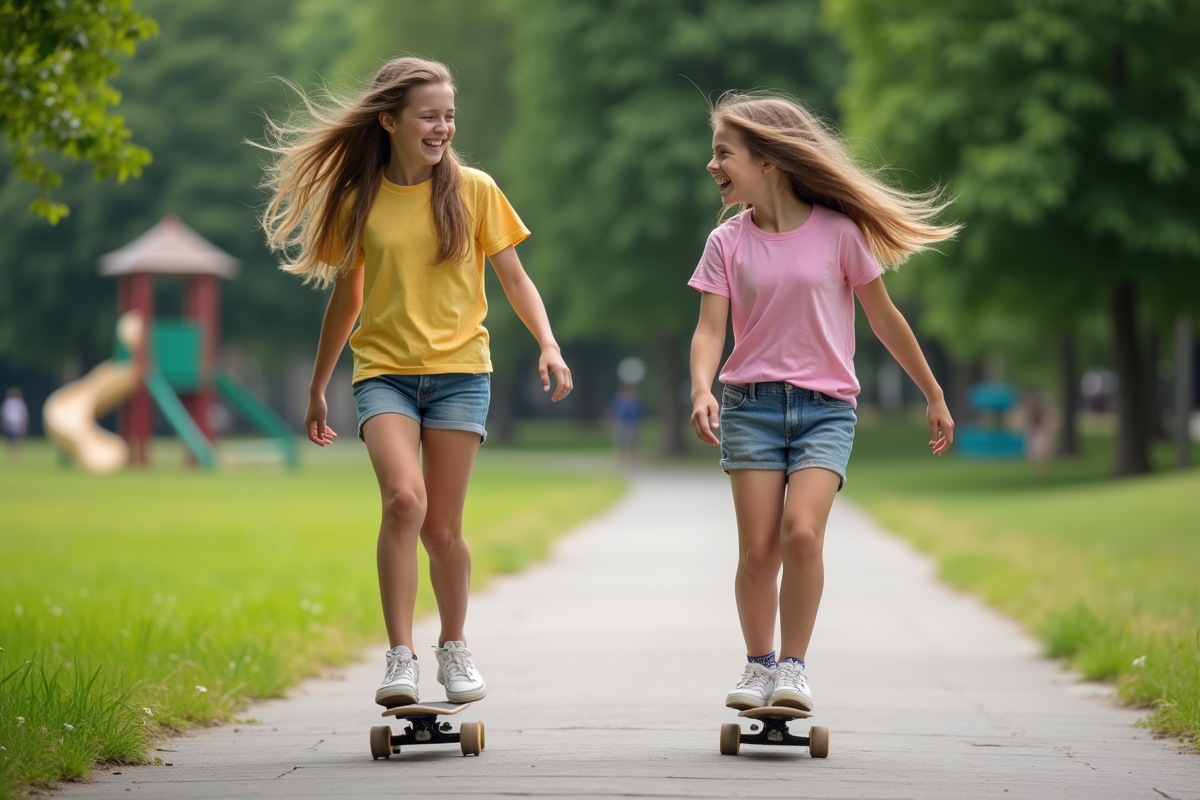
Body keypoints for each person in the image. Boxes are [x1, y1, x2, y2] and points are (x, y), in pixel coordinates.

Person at [259, 57, 572, 708]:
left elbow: (514, 277)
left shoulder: (475, 190)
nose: (443, 127)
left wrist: (548, 343)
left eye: (450, 115)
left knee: (443, 531)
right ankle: (400, 656)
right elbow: (347, 299)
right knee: (405, 501)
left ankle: (453, 645)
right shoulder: (359, 200)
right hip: (385, 376)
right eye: (430, 115)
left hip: (461, 374)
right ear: (390, 120)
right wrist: (319, 386)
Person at [687, 92, 958, 713]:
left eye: (724, 154)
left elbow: (885, 320)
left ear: (770, 161)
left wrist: (933, 393)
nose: (713, 165)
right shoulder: (726, 242)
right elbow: (708, 330)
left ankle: (794, 668)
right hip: (750, 408)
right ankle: (758, 666)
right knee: (758, 551)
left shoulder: (839, 234)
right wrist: (701, 388)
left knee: (801, 535)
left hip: (825, 412)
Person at [2, 387, 28, 461]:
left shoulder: (19, 403)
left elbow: (23, 415)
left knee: (16, 441)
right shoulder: (8, 403)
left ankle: (15, 456)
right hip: (10, 424)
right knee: (11, 441)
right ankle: (12, 456)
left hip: (17, 424)